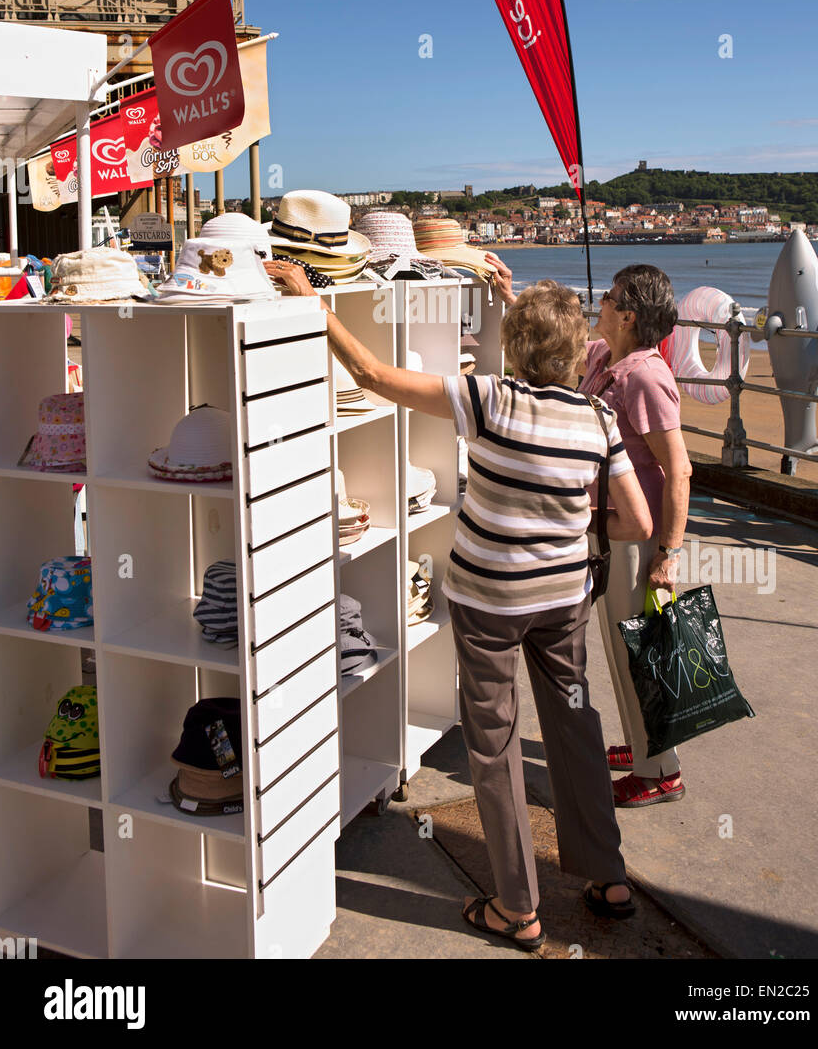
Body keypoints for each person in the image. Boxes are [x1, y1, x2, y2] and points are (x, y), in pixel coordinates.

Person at [267, 258, 653, 950]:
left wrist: (316, 307)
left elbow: (375, 379)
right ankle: (608, 876)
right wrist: (577, 529)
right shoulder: (598, 419)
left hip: (488, 602)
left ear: (515, 348)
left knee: (495, 745)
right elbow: (637, 523)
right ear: (573, 354)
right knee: (575, 725)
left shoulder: (489, 399)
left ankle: (517, 907)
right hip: (562, 601)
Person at [578, 265, 692, 807]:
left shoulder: (644, 376)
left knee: (641, 652)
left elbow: (679, 470)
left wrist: (666, 556)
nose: (598, 302)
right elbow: (556, 346)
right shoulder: (606, 357)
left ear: (627, 315)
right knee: (625, 649)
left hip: (637, 539)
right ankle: (642, 743)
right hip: (610, 529)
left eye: (608, 297)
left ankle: (661, 773)